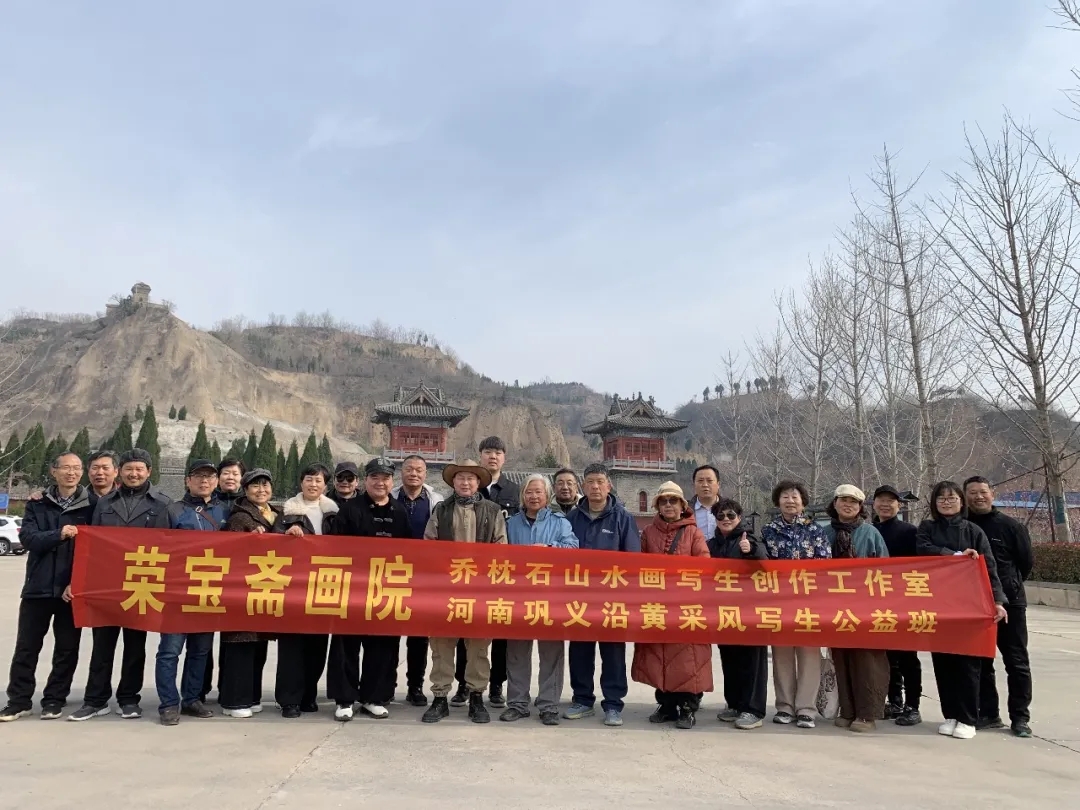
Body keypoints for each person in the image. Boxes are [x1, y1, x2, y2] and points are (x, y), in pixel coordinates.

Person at [69, 448, 172, 721]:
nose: (133, 474)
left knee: (135, 647)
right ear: (120, 471)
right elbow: (91, 545)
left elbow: (170, 547)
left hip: (142, 583)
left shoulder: (163, 504)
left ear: (149, 471)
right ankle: (95, 700)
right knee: (102, 646)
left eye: (139, 469)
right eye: (129, 469)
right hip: (108, 584)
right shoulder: (105, 503)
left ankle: (129, 698)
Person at [0, 452, 95, 722]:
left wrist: (78, 582)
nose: (71, 473)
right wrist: (59, 534)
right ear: (54, 471)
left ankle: (54, 699)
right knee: (26, 647)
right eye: (66, 467)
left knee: (66, 649)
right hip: (38, 587)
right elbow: (29, 539)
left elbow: (96, 551)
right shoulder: (38, 503)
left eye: (77, 468)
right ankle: (19, 701)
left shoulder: (92, 506)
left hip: (70, 591)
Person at [917, 480, 1007, 740]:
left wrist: (998, 601)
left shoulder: (974, 531)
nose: (947, 502)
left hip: (969, 606)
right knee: (943, 661)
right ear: (934, 503)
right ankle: (951, 715)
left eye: (952, 498)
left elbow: (989, 567)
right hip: (937, 604)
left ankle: (968, 718)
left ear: (961, 502)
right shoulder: (927, 528)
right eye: (941, 498)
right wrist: (955, 556)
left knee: (968, 664)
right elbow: (923, 550)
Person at [421, 460, 508, 725]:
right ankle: (439, 697)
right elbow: (428, 546)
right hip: (446, 590)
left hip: (480, 591)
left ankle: (477, 697)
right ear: (453, 482)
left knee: (479, 647)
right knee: (441, 645)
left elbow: (501, 548)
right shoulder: (441, 509)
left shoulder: (493, 511)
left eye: (471, 478)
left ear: (479, 482)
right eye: (461, 478)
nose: (466, 482)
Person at [328, 458, 411, 722]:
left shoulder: (400, 512)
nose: (380, 482)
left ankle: (374, 697)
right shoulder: (349, 510)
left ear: (392, 481)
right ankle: (344, 699)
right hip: (352, 589)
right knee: (346, 646)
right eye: (375, 477)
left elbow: (410, 553)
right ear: (366, 481)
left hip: (386, 590)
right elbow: (335, 550)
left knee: (382, 647)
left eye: (385, 478)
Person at [564, 463, 641, 728]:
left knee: (613, 653)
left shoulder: (623, 518)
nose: (595, 487)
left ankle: (613, 704)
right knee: (580, 651)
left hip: (612, 599)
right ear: (583, 486)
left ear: (609, 485)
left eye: (600, 481)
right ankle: (582, 700)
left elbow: (633, 560)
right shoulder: (572, 518)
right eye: (590, 482)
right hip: (580, 599)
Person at [632, 482, 712, 730]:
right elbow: (639, 567)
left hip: (686, 606)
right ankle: (666, 704)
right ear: (657, 505)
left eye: (673, 501)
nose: (668, 505)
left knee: (688, 660)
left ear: (682, 505)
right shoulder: (648, 533)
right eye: (664, 501)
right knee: (659, 657)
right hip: (657, 605)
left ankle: (688, 707)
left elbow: (704, 566)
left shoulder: (693, 533)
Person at [502, 475, 578, 725]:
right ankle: (517, 703)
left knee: (551, 653)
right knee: (517, 652)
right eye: (529, 492)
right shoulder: (511, 523)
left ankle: (548, 705)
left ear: (547, 496)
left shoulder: (560, 522)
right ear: (522, 496)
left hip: (551, 598)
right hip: (518, 597)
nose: (534, 496)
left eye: (538, 492)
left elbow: (573, 549)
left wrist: (550, 549)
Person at [155, 459, 226, 725]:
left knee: (200, 651)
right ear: (188, 481)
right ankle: (168, 703)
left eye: (209, 476)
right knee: (169, 652)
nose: (204, 481)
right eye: (198, 476)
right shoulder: (173, 510)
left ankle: (191, 699)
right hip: (177, 593)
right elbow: (157, 548)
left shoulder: (224, 511)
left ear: (216, 482)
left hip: (208, 591)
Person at [964, 476, 1034, 738]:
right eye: (972, 492)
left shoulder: (1010, 526)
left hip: (1010, 604)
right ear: (965, 496)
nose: (978, 497)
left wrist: (1007, 589)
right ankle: (989, 713)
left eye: (983, 492)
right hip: (974, 605)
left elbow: (1025, 563)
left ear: (992, 494)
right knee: (981, 662)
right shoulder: (962, 526)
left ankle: (1020, 717)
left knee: (1017, 662)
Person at [761, 479, 830, 729]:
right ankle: (784, 707)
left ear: (803, 502)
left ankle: (806, 709)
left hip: (809, 603)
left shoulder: (815, 530)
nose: (790, 501)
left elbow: (826, 565)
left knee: (809, 656)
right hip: (778, 604)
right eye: (785, 497)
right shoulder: (768, 531)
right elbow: (761, 564)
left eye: (795, 497)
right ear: (778, 501)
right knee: (782, 656)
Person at [822, 485, 890, 733]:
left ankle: (867, 713)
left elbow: (885, 571)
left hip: (866, 606)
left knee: (867, 661)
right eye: (843, 500)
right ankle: (847, 710)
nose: (848, 505)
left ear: (861, 507)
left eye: (853, 501)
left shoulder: (870, 533)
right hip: (834, 606)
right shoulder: (824, 533)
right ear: (835, 503)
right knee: (840, 657)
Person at [219, 468, 283, 718]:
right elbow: (231, 553)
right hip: (242, 591)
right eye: (255, 486)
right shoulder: (240, 517)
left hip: (265, 589)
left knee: (258, 647)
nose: (261, 490)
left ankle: (253, 696)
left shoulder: (276, 514)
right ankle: (234, 701)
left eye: (265, 485)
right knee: (239, 647)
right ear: (245, 490)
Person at [276, 463, 338, 718]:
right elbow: (270, 544)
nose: (313, 484)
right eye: (309, 479)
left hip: (323, 586)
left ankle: (308, 695)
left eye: (319, 480)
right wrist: (285, 534)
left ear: (325, 485)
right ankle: (289, 699)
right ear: (301, 482)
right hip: (293, 588)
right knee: (292, 647)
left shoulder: (333, 513)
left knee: (317, 645)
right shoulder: (286, 512)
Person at [464, 435, 520, 710]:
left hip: (502, 572)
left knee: (499, 631)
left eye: (498, 452)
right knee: (465, 626)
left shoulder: (514, 490)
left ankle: (497, 684)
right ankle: (464, 684)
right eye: (488, 451)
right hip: (469, 572)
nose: (492, 456)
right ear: (480, 455)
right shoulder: (469, 488)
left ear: (504, 457)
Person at [707, 497, 768, 730]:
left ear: (739, 518)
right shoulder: (711, 545)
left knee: (752, 661)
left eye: (731, 515)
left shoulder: (749, 539)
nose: (726, 519)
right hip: (724, 612)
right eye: (721, 516)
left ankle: (753, 710)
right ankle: (734, 704)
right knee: (730, 659)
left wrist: (751, 551)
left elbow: (765, 562)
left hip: (750, 611)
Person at [391, 454, 444, 707]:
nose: (414, 473)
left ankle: (415, 687)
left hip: (424, 577)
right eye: (409, 469)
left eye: (419, 470)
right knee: (389, 634)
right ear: (401, 472)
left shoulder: (436, 501)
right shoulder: (389, 497)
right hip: (392, 574)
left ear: (425, 473)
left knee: (419, 637)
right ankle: (387, 685)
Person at [872, 484, 922, 726]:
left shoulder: (910, 532)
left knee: (907, 656)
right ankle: (894, 701)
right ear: (873, 504)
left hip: (905, 601)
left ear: (899, 505)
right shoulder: (869, 531)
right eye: (880, 500)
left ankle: (913, 705)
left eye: (890, 501)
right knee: (887, 657)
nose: (885, 504)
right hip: (877, 603)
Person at [201, 456, 245, 702]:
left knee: (233, 638)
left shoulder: (248, 503)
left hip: (238, 579)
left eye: (235, 474)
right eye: (226, 473)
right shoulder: (210, 503)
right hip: (209, 574)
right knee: (203, 638)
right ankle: (200, 689)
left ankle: (228, 689)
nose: (231, 477)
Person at [689, 464, 721, 539]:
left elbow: (743, 531)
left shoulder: (731, 509)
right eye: (700, 481)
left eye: (709, 481)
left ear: (718, 484)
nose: (705, 485)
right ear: (694, 485)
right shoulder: (684, 511)